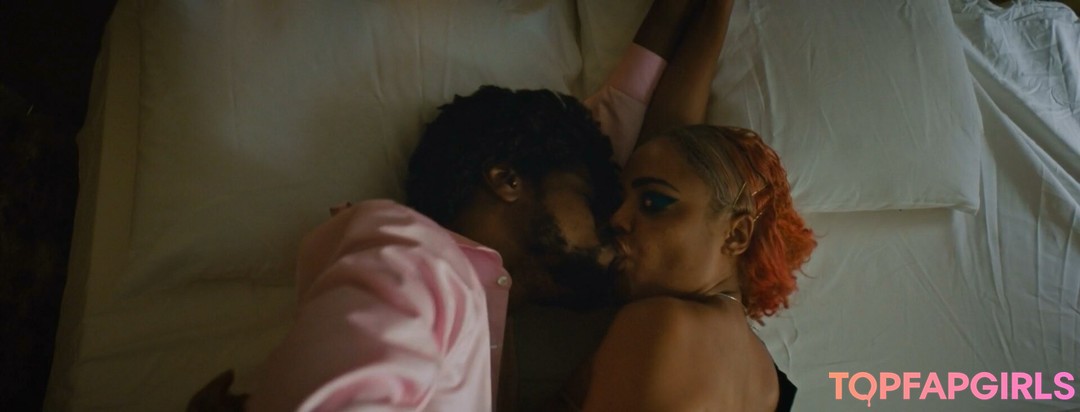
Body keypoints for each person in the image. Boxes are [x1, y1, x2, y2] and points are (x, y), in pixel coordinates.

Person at [187, 0, 720, 410]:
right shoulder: (409, 259)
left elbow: (636, 138)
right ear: (507, 180)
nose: (616, 224)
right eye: (592, 199)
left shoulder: (478, 312)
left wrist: (684, 14)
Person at [550, 0, 816, 410]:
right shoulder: (767, 380)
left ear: (737, 233)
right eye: (623, 201)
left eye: (652, 203)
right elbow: (673, 149)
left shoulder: (658, 325)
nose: (616, 219)